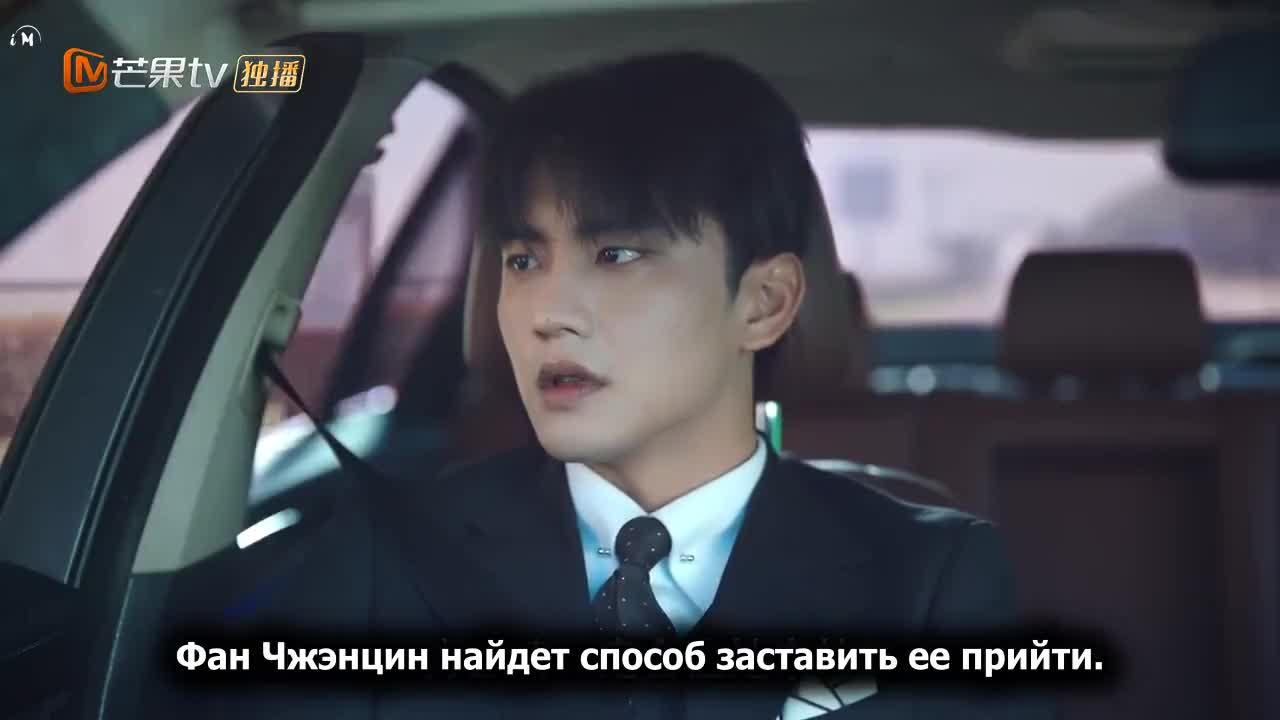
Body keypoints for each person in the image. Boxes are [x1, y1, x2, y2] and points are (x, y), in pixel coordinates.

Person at [195, 52, 1050, 720]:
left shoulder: (929, 580)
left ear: (763, 303)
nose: (546, 313)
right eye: (522, 260)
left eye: (617, 254)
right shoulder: (385, 559)